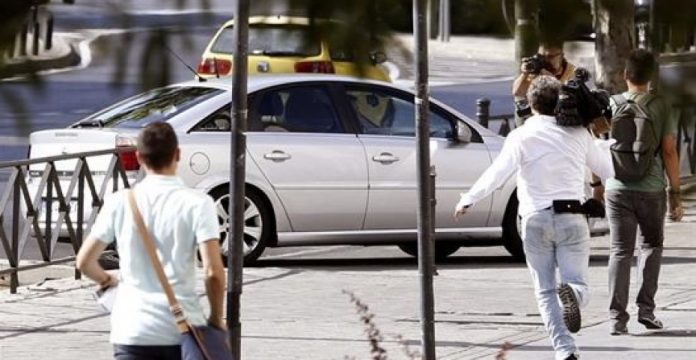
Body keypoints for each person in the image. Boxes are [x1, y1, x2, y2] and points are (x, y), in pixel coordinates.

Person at [455, 76, 614, 360]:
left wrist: (469, 199)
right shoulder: (579, 134)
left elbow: (498, 174)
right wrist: (602, 136)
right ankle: (574, 296)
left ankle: (565, 350)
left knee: (544, 290)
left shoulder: (521, 136)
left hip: (535, 219)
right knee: (577, 282)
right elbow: (608, 170)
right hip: (573, 218)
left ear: (531, 104)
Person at [76, 122, 226, 360]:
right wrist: (216, 318)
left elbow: (84, 261)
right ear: (177, 154)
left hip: (132, 330)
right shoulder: (198, 204)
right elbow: (213, 272)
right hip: (182, 331)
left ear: (139, 157)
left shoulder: (120, 201)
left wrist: (107, 280)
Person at [605, 49, 684, 336]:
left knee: (620, 251)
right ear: (651, 77)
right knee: (651, 246)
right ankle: (646, 310)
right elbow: (669, 151)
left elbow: (599, 146)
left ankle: (617, 318)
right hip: (651, 189)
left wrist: (598, 186)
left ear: (625, 75)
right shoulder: (662, 106)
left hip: (617, 188)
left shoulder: (611, 104)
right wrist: (676, 195)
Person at [512, 41, 577, 125]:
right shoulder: (536, 70)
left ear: (561, 56)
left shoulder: (571, 71)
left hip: (562, 122)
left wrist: (550, 78)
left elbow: (567, 97)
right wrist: (525, 74)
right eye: (541, 57)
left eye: (550, 57)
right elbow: (517, 92)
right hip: (537, 121)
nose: (545, 60)